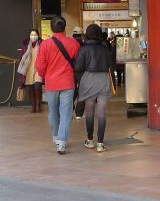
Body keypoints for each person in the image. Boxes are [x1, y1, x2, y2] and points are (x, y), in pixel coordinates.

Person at [36, 17, 80, 154]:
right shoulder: (74, 43)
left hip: (51, 83)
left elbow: (40, 66)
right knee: (66, 112)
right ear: (64, 27)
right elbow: (78, 64)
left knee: (53, 111)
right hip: (68, 82)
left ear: (51, 28)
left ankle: (56, 137)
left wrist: (46, 75)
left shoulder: (45, 45)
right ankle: (61, 141)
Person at [75, 24, 114, 153]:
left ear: (87, 34)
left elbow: (78, 67)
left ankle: (90, 140)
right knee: (102, 113)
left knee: (90, 111)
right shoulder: (105, 48)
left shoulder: (83, 49)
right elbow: (111, 65)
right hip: (103, 79)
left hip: (89, 80)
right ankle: (100, 143)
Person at [16, 29, 43, 113]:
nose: (33, 36)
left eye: (35, 35)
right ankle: (33, 106)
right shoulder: (26, 45)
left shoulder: (42, 44)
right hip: (28, 69)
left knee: (37, 87)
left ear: (38, 36)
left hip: (38, 69)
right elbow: (22, 56)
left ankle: (38, 106)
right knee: (31, 88)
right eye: (32, 35)